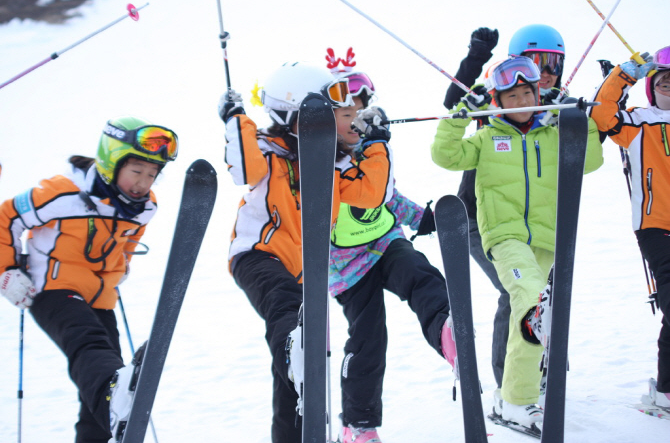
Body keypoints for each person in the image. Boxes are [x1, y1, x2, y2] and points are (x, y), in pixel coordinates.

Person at [219, 61, 394, 443]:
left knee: (296, 364)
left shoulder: (335, 164)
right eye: (325, 115)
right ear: (293, 113)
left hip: (306, 271)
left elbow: (373, 194)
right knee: (286, 314)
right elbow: (243, 169)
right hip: (258, 254)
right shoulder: (267, 151)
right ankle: (293, 352)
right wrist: (236, 117)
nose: (336, 123)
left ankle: (294, 425)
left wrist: (376, 143)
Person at [432, 56, 603, 431]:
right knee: (531, 299)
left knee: (527, 318)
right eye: (513, 96)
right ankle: (523, 389)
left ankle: (514, 400)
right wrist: (462, 115)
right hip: (504, 236)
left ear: (539, 93)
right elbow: (445, 155)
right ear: (498, 101)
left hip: (546, 239)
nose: (522, 101)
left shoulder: (553, 136)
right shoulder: (487, 137)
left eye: (528, 92)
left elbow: (589, 161)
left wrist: (580, 121)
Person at [0, 116, 178, 443]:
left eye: (152, 174)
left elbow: (129, 240)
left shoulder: (144, 207)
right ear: (112, 162)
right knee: (88, 344)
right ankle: (114, 396)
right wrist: (7, 271)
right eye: (136, 171)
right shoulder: (61, 193)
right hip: (51, 287)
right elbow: (7, 216)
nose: (143, 182)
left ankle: (109, 410)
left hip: (99, 295)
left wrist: (121, 265)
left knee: (103, 373)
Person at [325, 55, 456, 443]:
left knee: (418, 271)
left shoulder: (371, 154)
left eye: (359, 111)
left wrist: (421, 219)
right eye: (343, 113)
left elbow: (387, 197)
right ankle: (358, 426)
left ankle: (447, 330)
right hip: (345, 267)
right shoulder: (320, 163)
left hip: (385, 241)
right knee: (369, 339)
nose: (353, 120)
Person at [443, 24, 567, 391]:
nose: (545, 72)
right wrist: (475, 59)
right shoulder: (499, 99)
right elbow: (455, 101)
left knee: (542, 293)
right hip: (481, 219)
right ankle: (508, 382)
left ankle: (537, 372)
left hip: (534, 222)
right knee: (515, 292)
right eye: (536, 62)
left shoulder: (552, 108)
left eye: (553, 63)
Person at [588, 46, 670, 410]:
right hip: (656, 227)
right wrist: (625, 74)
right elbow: (602, 113)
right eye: (666, 82)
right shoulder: (638, 122)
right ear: (653, 88)